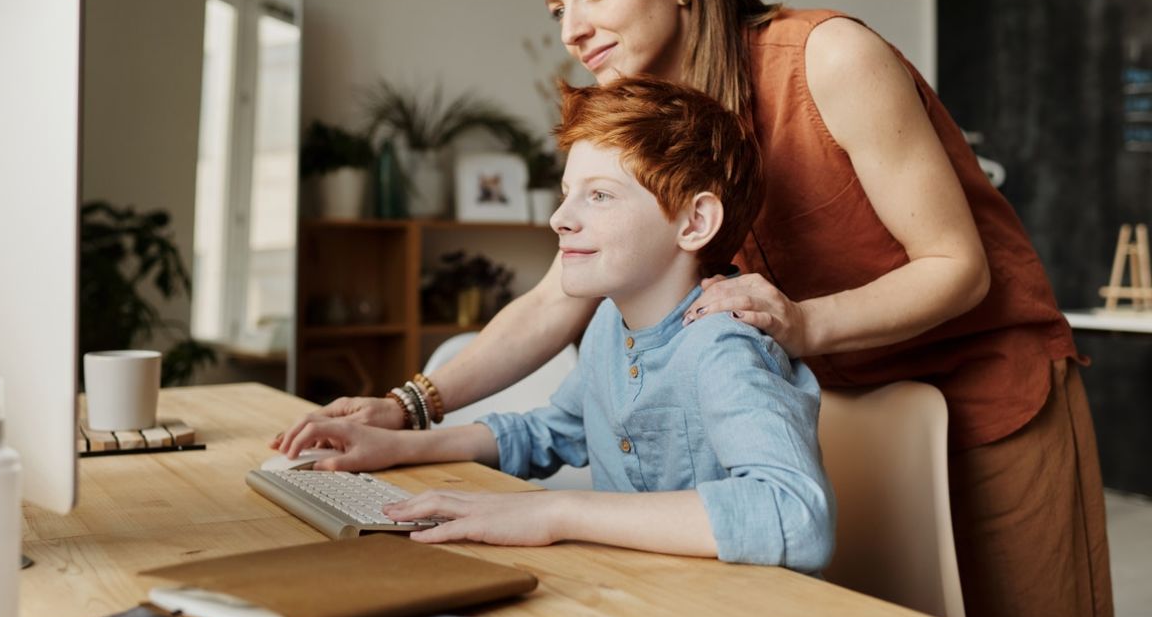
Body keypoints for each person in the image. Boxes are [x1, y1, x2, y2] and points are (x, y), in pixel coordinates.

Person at [275, 0, 1112, 617]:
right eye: (557, 6)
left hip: (989, 393)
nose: (572, 28)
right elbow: (554, 299)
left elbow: (956, 266)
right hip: (841, 403)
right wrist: (406, 406)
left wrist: (802, 321)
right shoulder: (649, 117)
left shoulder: (829, 57)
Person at [278, 77, 835, 570]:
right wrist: (397, 445)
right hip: (632, 591)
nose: (560, 218)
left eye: (598, 196)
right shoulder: (607, 328)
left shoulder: (724, 345)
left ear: (694, 222)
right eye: (568, 193)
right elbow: (554, 431)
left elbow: (795, 514)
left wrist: (556, 511)